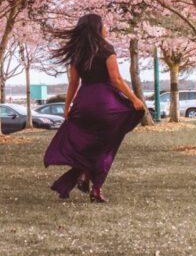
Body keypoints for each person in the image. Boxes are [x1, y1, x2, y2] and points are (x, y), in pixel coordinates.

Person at [43, 13, 145, 203]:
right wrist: (134, 99)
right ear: (97, 28)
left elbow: (73, 83)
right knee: (107, 146)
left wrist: (67, 106)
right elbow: (116, 79)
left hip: (84, 103)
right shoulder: (107, 49)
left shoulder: (77, 52)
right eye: (103, 25)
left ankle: (83, 173)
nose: (106, 28)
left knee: (89, 144)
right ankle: (95, 187)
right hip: (105, 104)